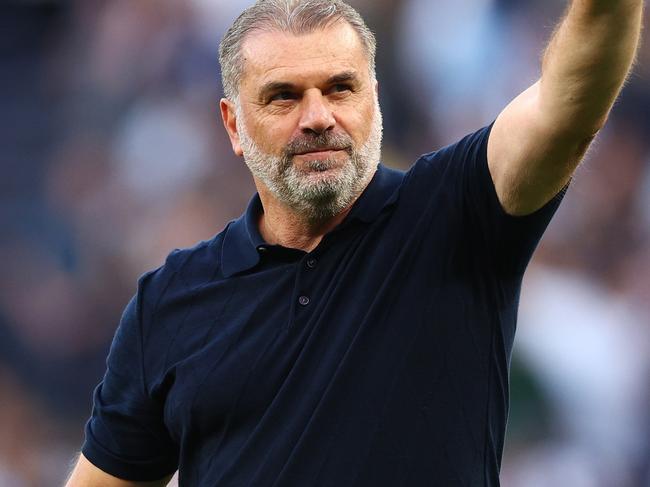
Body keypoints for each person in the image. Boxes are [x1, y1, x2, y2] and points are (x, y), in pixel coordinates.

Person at [66, 0, 644, 485]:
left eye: (340, 88)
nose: (318, 116)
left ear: (375, 98)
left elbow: (570, 97)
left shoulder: (454, 213)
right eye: (284, 96)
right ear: (234, 126)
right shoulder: (169, 303)